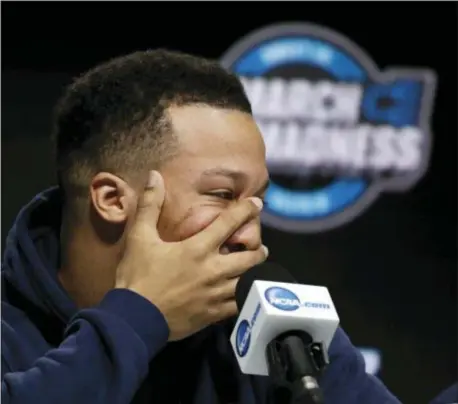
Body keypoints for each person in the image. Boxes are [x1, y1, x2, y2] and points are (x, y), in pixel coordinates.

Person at [0, 49, 448, 404]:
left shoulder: (275, 328)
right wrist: (137, 320)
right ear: (113, 200)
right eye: (221, 195)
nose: (251, 236)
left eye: (258, 201)